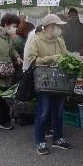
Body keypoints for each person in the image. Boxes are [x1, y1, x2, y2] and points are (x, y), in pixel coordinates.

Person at [26, 14, 72, 155]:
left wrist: (75, 57)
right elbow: (32, 60)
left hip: (59, 81)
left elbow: (66, 55)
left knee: (58, 112)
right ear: (50, 27)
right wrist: (51, 58)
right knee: (43, 112)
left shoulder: (59, 40)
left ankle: (58, 138)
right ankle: (40, 141)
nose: (60, 29)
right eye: (58, 26)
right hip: (43, 82)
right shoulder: (36, 41)